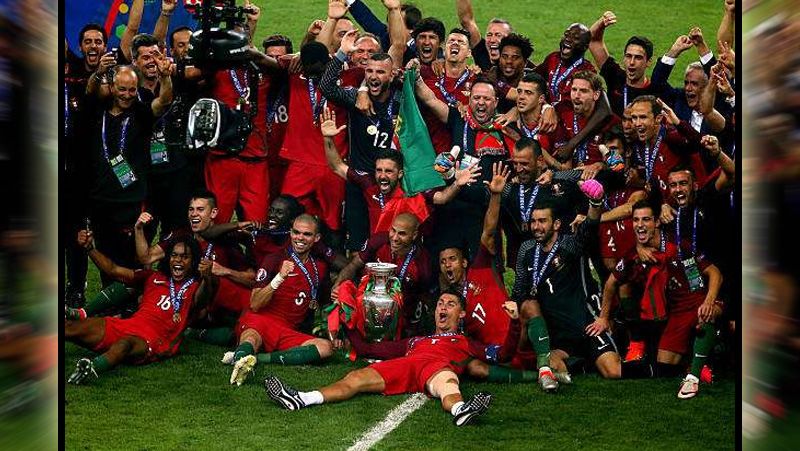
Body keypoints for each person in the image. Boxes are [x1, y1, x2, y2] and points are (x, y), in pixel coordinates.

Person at [264, 290, 494, 427]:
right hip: (407, 364)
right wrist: (347, 322)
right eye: (440, 304)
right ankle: (302, 398)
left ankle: (461, 410)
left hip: (438, 368)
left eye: (450, 304)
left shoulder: (467, 342)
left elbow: (501, 356)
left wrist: (512, 324)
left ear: (461, 314)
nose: (443, 308)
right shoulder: (415, 341)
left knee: (448, 385)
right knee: (355, 377)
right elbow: (367, 349)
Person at [595, 200, 723, 399]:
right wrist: (603, 317)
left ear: (656, 222)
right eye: (636, 220)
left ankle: (696, 373)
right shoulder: (634, 254)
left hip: (696, 301)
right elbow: (611, 283)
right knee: (665, 364)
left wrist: (708, 301)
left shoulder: (678, 246)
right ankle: (691, 359)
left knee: (707, 313)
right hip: (675, 312)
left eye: (646, 219)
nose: (640, 225)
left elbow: (714, 273)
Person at [512, 179, 623, 391]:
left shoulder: (569, 245)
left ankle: (654, 368)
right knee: (550, 363)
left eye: (542, 221)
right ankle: (581, 363)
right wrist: (515, 304)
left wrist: (595, 203)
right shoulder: (526, 250)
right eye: (533, 221)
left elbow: (588, 229)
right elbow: (519, 290)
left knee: (613, 372)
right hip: (558, 336)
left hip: (587, 325)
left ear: (556, 224)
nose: (536, 227)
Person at [65, 233, 214, 384]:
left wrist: (207, 278)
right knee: (71, 326)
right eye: (174, 255)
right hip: (126, 325)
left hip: (152, 339)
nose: (178, 260)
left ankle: (91, 369)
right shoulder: (153, 277)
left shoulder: (195, 287)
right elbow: (113, 270)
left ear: (193, 261)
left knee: (124, 344)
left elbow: (202, 300)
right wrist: (90, 248)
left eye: (184, 257)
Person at [81, 64, 172, 286]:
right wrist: (98, 74)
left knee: (135, 265)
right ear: (112, 87)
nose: (127, 95)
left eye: (132, 90)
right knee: (107, 262)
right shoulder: (97, 112)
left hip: (132, 203)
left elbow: (163, 101)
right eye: (122, 89)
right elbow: (89, 92)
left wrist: (165, 77)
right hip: (101, 202)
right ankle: (111, 302)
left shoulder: (141, 113)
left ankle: (138, 303)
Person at [228, 215, 335, 386]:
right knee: (251, 339)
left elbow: (324, 302)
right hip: (261, 320)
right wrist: (279, 278)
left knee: (326, 348)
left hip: (288, 329)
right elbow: (255, 303)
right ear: (290, 233)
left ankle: (258, 358)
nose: (300, 238)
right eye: (296, 232)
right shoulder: (274, 259)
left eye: (307, 234)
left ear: (317, 238)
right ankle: (241, 360)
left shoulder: (320, 268)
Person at [135, 191, 256, 333]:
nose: (193, 214)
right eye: (191, 209)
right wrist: (138, 229)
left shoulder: (226, 241)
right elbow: (147, 257)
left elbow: (251, 278)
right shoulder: (181, 235)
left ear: (213, 213)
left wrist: (225, 271)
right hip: (177, 297)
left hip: (209, 304)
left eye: (200, 209)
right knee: (142, 294)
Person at [333, 213, 432, 334]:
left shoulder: (422, 262)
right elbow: (353, 266)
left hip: (400, 317)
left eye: (402, 234)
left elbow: (423, 296)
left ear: (414, 235)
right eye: (393, 230)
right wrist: (337, 286)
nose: (395, 238)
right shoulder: (378, 241)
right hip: (365, 307)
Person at [627, 95, 707, 203]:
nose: (637, 123)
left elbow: (700, 143)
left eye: (643, 117)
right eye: (634, 117)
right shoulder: (642, 145)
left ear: (658, 118)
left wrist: (677, 122)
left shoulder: (672, 138)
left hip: (691, 205)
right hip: (665, 206)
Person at [588, 11, 660, 115]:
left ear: (648, 62)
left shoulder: (654, 91)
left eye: (638, 58)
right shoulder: (615, 76)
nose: (631, 62)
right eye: (628, 56)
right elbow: (593, 40)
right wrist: (602, 23)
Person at [544, 70, 616, 174]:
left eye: (583, 91)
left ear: (596, 95)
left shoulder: (611, 124)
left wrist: (599, 166)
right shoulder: (563, 115)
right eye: (574, 89)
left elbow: (618, 166)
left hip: (597, 179)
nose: (577, 95)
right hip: (567, 175)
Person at [418, 28, 476, 154]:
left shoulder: (477, 81)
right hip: (427, 153)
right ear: (444, 49)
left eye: (461, 42)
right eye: (451, 41)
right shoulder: (426, 73)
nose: (455, 43)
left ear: (469, 53)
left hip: (462, 156)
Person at [534, 23, 596, 105]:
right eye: (566, 35)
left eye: (576, 38)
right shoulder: (553, 58)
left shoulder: (587, 71)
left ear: (585, 47)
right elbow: (534, 77)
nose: (568, 39)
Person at [455, 0, 513, 71]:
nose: (492, 40)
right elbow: (466, 21)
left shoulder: (521, 65)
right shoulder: (483, 54)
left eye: (498, 35)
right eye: (489, 35)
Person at [490, 33, 533, 113]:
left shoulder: (533, 81)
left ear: (525, 62)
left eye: (515, 57)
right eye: (504, 56)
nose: (509, 61)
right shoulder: (491, 74)